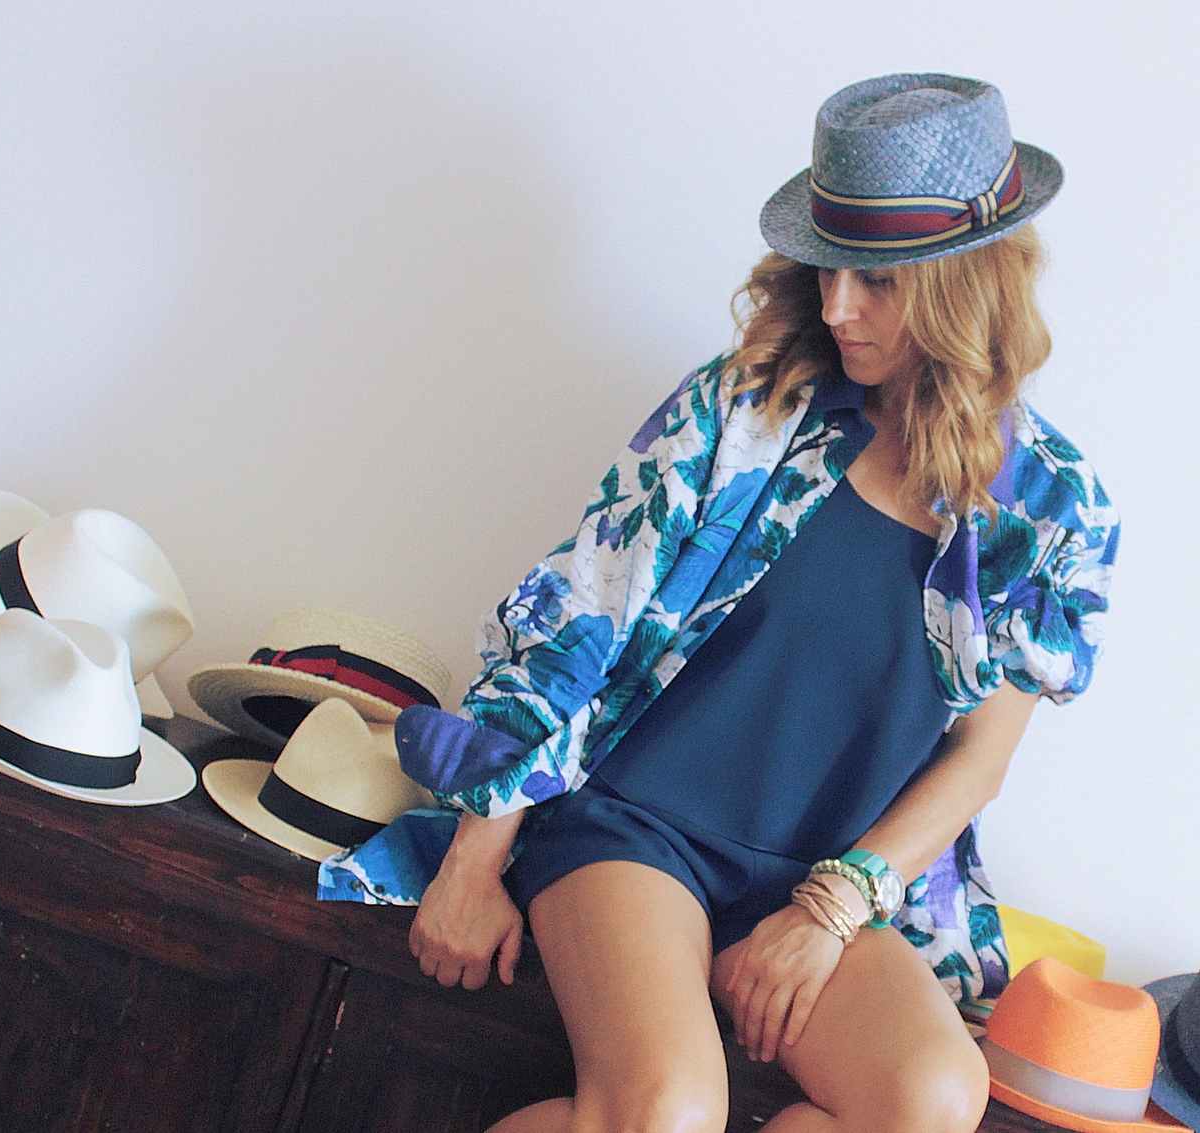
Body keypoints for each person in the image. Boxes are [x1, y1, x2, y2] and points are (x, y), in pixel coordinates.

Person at [320, 72, 1119, 1133]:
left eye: (877, 281)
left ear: (965, 287)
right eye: (829, 266)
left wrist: (831, 908)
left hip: (823, 874)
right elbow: (576, 626)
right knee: (669, 1112)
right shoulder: (747, 408)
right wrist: (474, 857)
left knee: (930, 1097)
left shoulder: (1050, 509)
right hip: (632, 829)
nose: (836, 307)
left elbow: (981, 756)